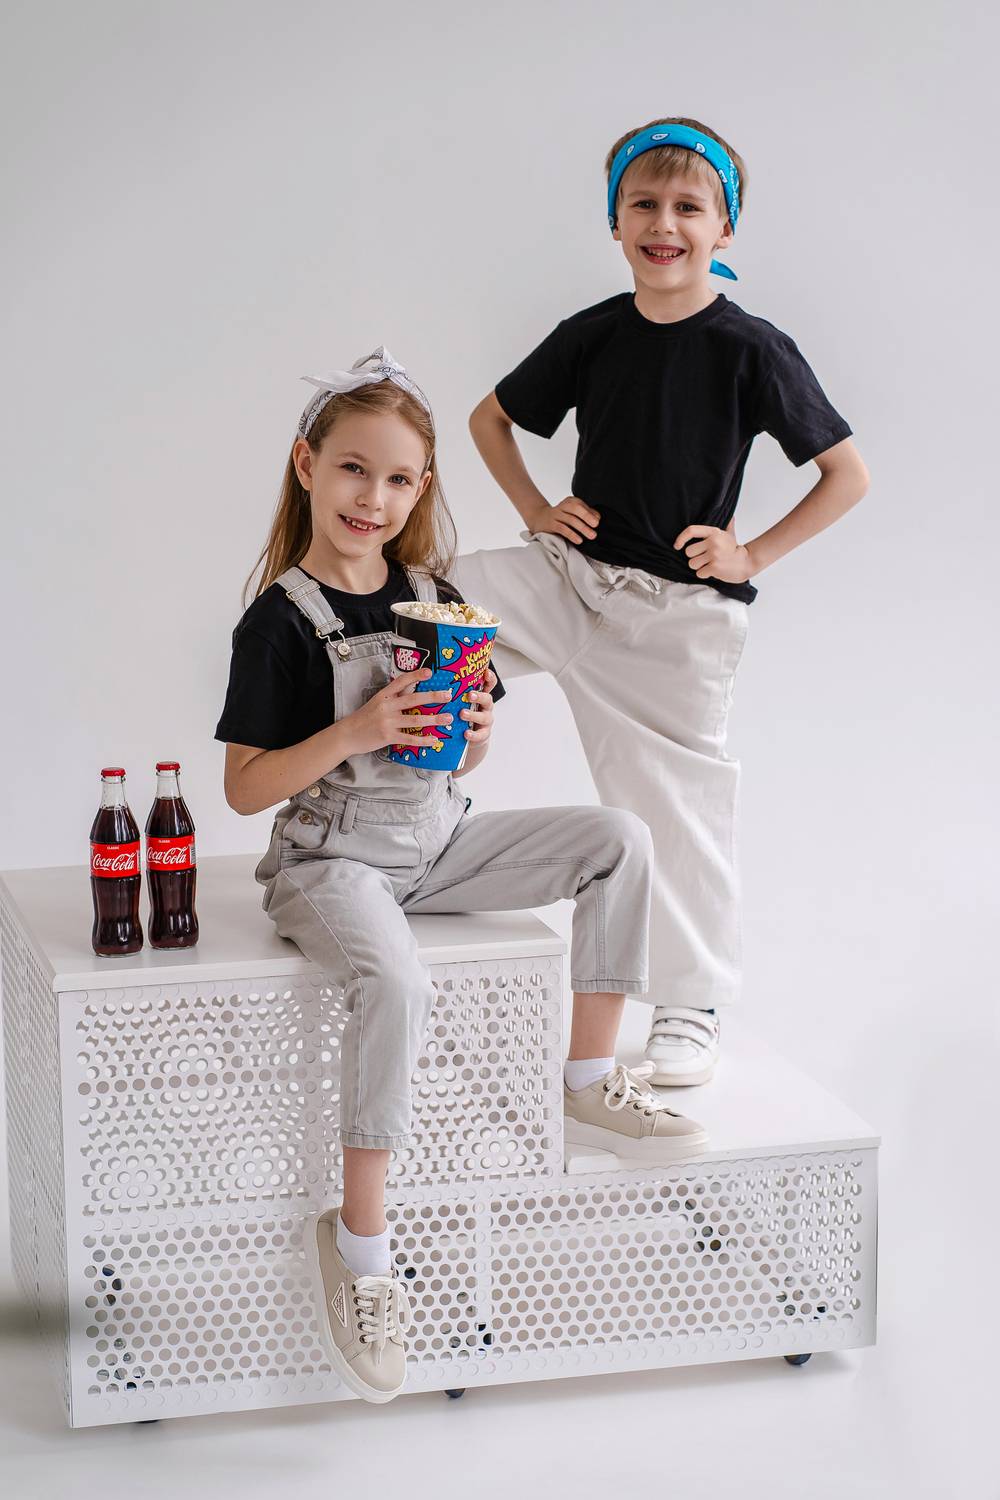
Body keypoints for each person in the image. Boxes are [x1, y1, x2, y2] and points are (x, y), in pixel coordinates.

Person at [215, 347, 709, 1404]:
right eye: (353, 470)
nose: (373, 498)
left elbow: (459, 758)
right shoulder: (280, 619)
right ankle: (362, 1251)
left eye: (398, 479)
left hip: (436, 841)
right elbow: (245, 789)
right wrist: (354, 730)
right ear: (307, 467)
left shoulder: (434, 599)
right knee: (397, 982)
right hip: (331, 859)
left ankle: (587, 1080)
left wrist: (474, 733)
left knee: (619, 836)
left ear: (422, 487)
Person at [455, 117, 870, 1089]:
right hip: (569, 582)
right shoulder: (593, 334)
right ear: (615, 222)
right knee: (426, 604)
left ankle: (688, 1003)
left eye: (689, 207)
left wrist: (751, 552)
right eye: (643, 204)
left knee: (672, 817)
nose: (664, 223)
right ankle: (383, 826)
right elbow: (490, 418)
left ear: (724, 230)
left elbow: (846, 475)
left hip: (675, 622)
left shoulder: (752, 348)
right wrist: (534, 510)